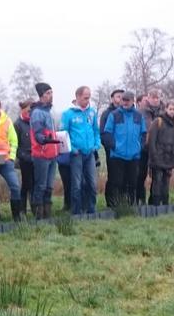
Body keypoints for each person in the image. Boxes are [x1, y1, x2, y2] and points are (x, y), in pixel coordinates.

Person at [102, 91, 148, 205]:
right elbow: (107, 133)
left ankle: (130, 206)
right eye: (123, 100)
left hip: (134, 156)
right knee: (117, 183)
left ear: (133, 101)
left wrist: (139, 147)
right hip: (117, 156)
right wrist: (115, 146)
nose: (125, 102)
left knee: (132, 183)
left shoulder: (138, 116)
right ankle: (116, 207)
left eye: (128, 100)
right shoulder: (114, 115)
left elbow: (143, 134)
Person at [61, 86, 101, 214]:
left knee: (92, 183)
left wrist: (96, 144)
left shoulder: (92, 112)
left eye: (89, 98)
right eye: (85, 98)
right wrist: (72, 149)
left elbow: (96, 130)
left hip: (89, 153)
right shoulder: (68, 114)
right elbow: (63, 134)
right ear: (77, 97)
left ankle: (91, 210)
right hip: (76, 154)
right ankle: (76, 211)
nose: (87, 100)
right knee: (77, 184)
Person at [30, 82, 61, 219]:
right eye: (48, 93)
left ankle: (47, 215)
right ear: (41, 95)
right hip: (41, 155)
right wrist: (45, 139)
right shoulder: (37, 113)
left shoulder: (50, 111)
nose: (51, 95)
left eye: (51, 92)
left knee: (49, 186)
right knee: (41, 186)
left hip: (52, 155)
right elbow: (38, 134)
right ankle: (39, 216)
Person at [147, 101, 174, 205]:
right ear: (166, 109)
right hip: (157, 157)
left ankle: (165, 204)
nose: (172, 111)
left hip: (169, 158)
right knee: (157, 181)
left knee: (166, 182)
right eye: (170, 109)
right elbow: (151, 141)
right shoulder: (158, 121)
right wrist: (154, 156)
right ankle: (154, 205)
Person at [136, 89, 162, 203]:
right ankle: (140, 200)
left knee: (157, 176)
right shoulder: (141, 112)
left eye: (157, 97)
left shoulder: (164, 111)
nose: (155, 100)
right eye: (153, 97)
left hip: (158, 148)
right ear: (148, 98)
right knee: (140, 175)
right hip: (143, 148)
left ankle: (154, 201)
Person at [99, 88, 124, 207]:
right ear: (112, 98)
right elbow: (104, 134)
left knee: (125, 178)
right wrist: (111, 147)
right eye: (118, 96)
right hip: (113, 151)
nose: (120, 99)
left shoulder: (127, 113)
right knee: (114, 177)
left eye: (122, 97)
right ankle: (111, 203)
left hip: (126, 152)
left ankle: (123, 202)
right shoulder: (107, 114)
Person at [14, 100, 34, 218]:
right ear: (22, 110)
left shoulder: (34, 123)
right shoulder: (17, 124)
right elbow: (16, 144)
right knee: (26, 184)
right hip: (24, 159)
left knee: (35, 183)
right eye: (28, 111)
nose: (30, 113)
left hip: (36, 157)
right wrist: (23, 156)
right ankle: (22, 210)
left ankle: (34, 207)